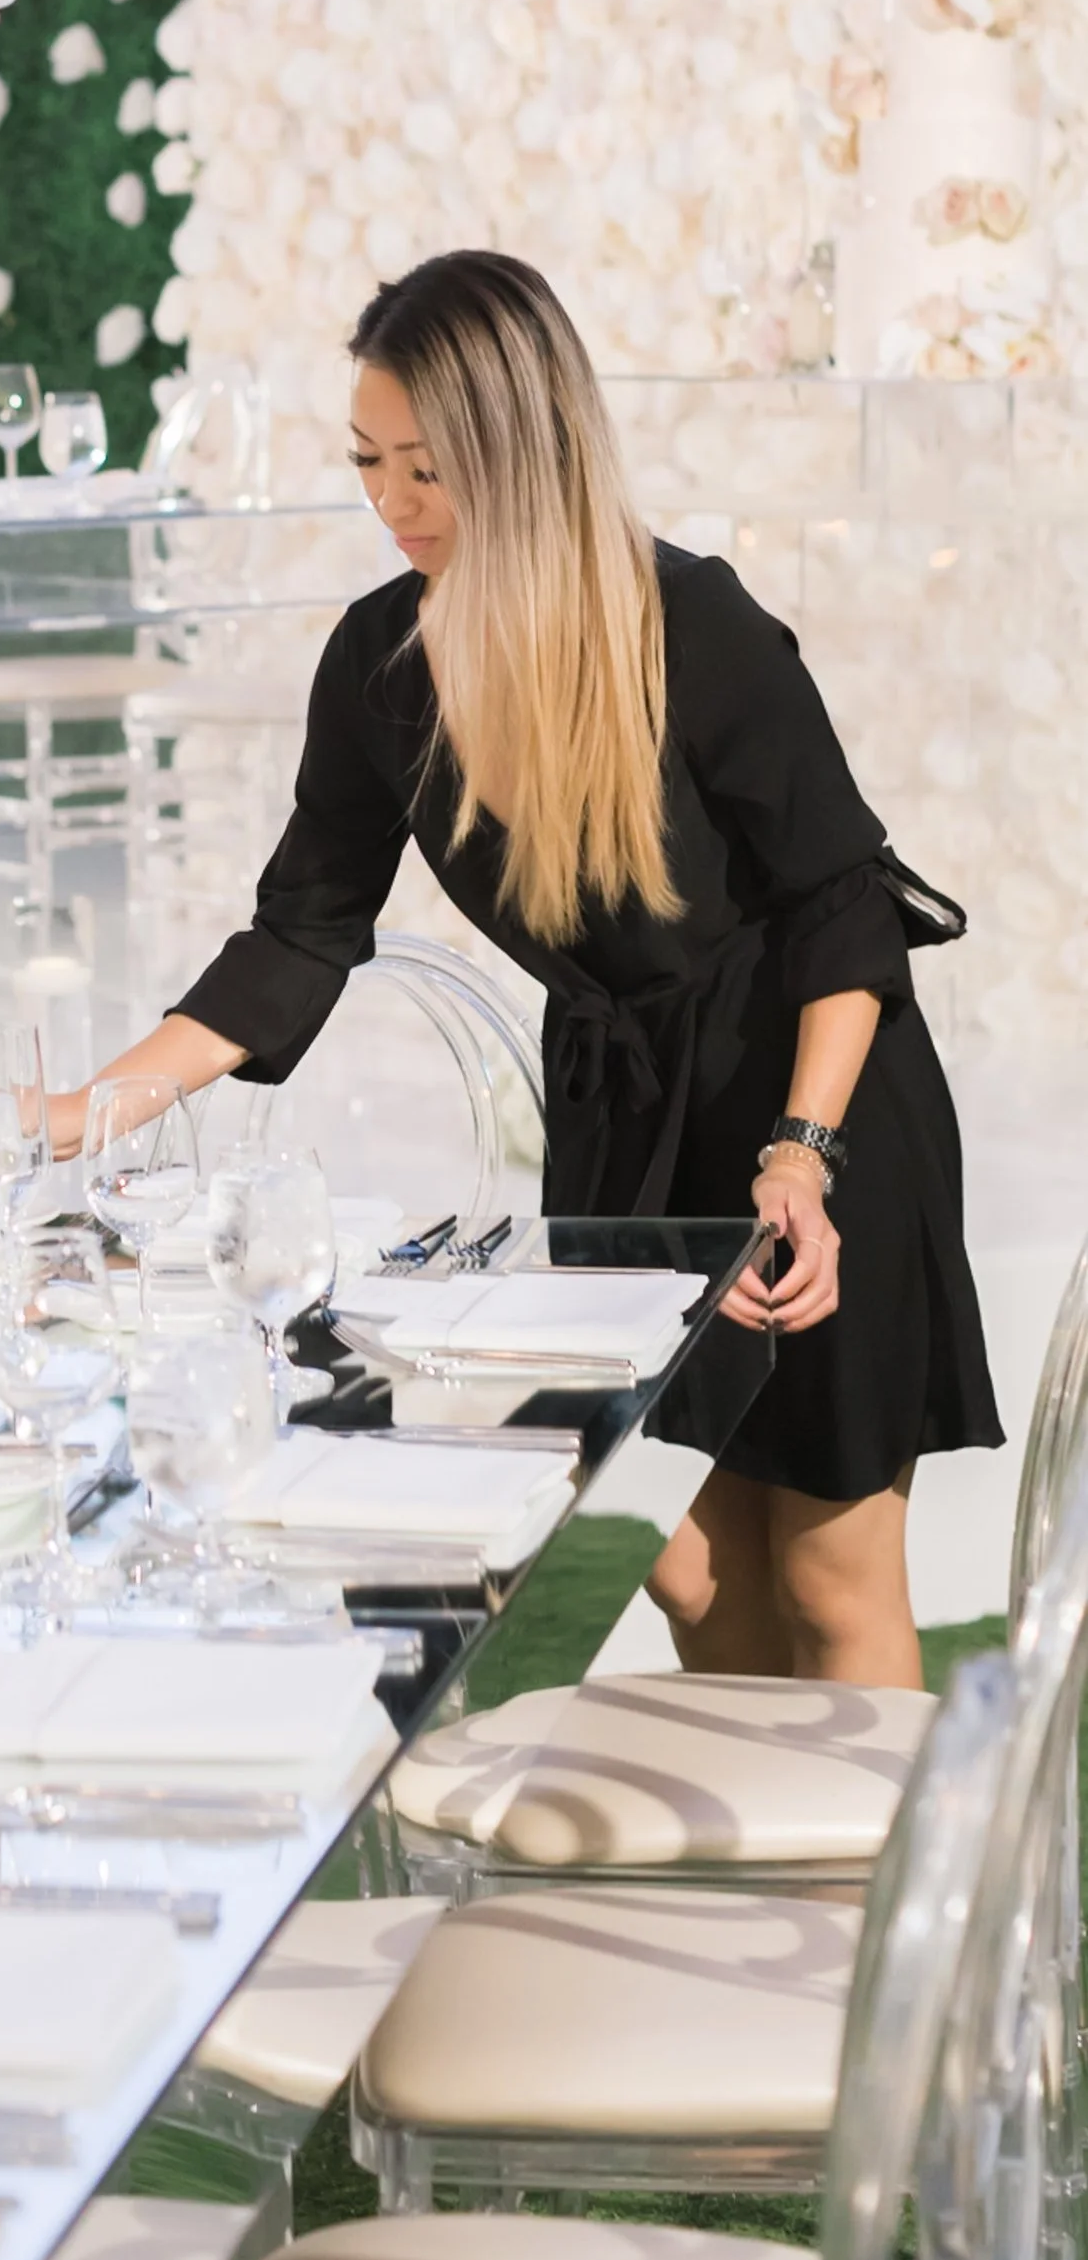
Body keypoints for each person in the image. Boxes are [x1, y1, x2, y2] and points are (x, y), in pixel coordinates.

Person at [83, 248, 999, 1687]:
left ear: (523, 454)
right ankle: (761, 1871)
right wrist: (78, 1117)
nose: (390, 504)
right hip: (626, 1126)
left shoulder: (691, 623)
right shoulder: (382, 665)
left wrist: (801, 1154)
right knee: (690, 1575)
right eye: (369, 463)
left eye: (427, 471)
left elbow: (842, 910)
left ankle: (874, 1908)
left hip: (809, 1110)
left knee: (829, 1581)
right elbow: (301, 933)